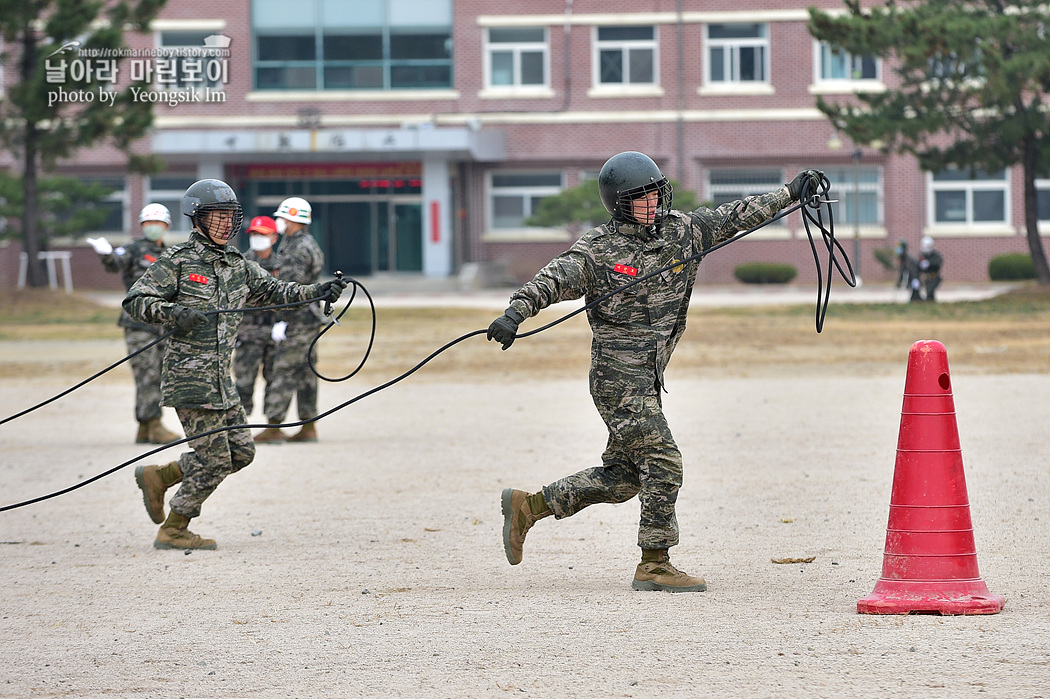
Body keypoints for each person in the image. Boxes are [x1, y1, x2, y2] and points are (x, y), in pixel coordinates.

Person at [488, 151, 824, 592]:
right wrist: (515, 313)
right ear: (619, 204)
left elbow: (736, 214)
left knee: (624, 478)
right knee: (664, 460)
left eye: (655, 193)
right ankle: (655, 563)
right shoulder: (597, 249)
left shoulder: (684, 232)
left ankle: (528, 507)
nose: (652, 203)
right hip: (616, 380)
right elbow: (550, 279)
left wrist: (790, 193)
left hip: (648, 378)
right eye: (640, 198)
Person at [124, 179, 348, 550]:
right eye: (218, 216)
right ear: (197, 218)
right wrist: (172, 312)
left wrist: (317, 291)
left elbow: (279, 291)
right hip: (189, 379)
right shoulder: (178, 261)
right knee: (213, 459)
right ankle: (174, 527)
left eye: (231, 216)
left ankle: (159, 476)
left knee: (241, 452)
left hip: (220, 380)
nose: (227, 224)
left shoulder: (237, 265)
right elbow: (135, 300)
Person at [86, 204, 181, 445]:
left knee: (158, 373)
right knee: (146, 373)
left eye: (157, 223)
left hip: (162, 324)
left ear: (166, 226)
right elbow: (115, 264)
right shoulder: (133, 248)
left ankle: (144, 426)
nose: (153, 227)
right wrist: (106, 253)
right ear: (141, 226)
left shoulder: (171, 254)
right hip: (138, 323)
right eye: (148, 223)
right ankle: (154, 423)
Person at [253, 197, 326, 444]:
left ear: (293, 220)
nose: (279, 222)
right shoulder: (300, 243)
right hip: (308, 319)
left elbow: (290, 289)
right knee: (306, 372)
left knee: (283, 369)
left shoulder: (298, 249)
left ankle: (274, 425)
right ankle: (308, 425)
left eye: (282, 218)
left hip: (298, 320)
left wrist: (281, 319)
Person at [233, 215, 283, 417]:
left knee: (275, 380)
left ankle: (273, 425)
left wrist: (282, 324)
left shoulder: (282, 265)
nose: (257, 238)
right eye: (254, 233)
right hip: (247, 333)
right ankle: (239, 426)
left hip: (273, 332)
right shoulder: (240, 264)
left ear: (273, 237)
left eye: (262, 234)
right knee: (243, 382)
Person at [918, 235, 943, 302]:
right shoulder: (922, 255)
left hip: (934, 278)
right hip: (925, 278)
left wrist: (929, 264)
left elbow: (938, 264)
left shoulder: (935, 255)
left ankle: (930, 302)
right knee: (925, 292)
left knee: (930, 292)